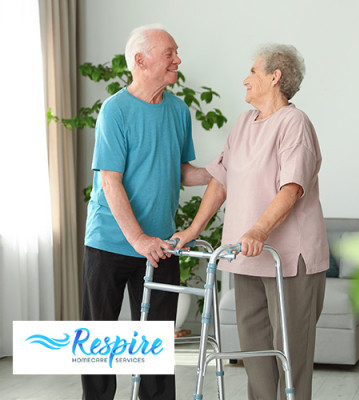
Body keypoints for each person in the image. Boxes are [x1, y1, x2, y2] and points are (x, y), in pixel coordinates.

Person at [172, 43, 329, 400]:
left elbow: (291, 187)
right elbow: (220, 179)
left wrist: (259, 229)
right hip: (245, 257)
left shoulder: (294, 124)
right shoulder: (243, 123)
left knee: (290, 353)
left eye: (253, 72)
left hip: (289, 260)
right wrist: (193, 230)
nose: (245, 80)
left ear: (275, 77)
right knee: (255, 353)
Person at [81, 23, 210, 400]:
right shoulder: (115, 110)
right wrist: (137, 239)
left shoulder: (178, 111)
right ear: (140, 60)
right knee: (99, 344)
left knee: (154, 351)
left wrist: (222, 169)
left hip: (160, 246)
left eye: (175, 52)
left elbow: (183, 172)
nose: (177, 60)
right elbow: (110, 181)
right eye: (169, 53)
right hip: (110, 242)